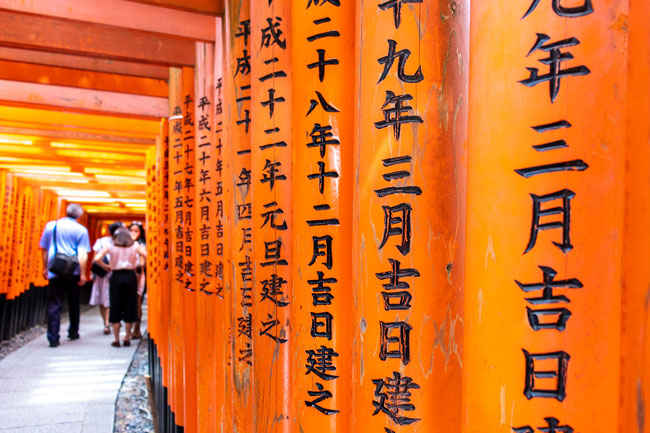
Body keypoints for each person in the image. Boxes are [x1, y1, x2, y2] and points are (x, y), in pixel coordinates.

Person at [39, 203, 91, 348]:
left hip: (55, 269)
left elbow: (44, 249)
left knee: (54, 303)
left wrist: (45, 267)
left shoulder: (51, 226)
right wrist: (82, 273)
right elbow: (82, 254)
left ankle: (53, 337)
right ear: (79, 215)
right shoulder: (81, 230)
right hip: (73, 270)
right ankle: (73, 331)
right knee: (74, 301)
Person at [93, 227, 146, 347]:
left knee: (115, 305)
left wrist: (106, 266)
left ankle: (116, 339)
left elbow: (96, 258)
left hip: (116, 276)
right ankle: (127, 337)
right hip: (130, 276)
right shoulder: (135, 245)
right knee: (130, 305)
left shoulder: (111, 246)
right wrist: (139, 266)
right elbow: (147, 256)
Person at [90, 221, 123, 335]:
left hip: (102, 274)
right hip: (112, 273)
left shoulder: (101, 241)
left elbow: (95, 258)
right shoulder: (122, 242)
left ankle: (106, 322)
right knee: (109, 298)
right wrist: (108, 266)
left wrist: (103, 267)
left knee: (103, 299)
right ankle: (107, 322)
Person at [129, 221, 146, 339]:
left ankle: (136, 329)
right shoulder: (124, 243)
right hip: (127, 275)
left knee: (137, 303)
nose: (133, 233)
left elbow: (142, 263)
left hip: (138, 276)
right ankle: (130, 330)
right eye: (131, 230)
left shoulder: (141, 245)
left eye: (136, 231)